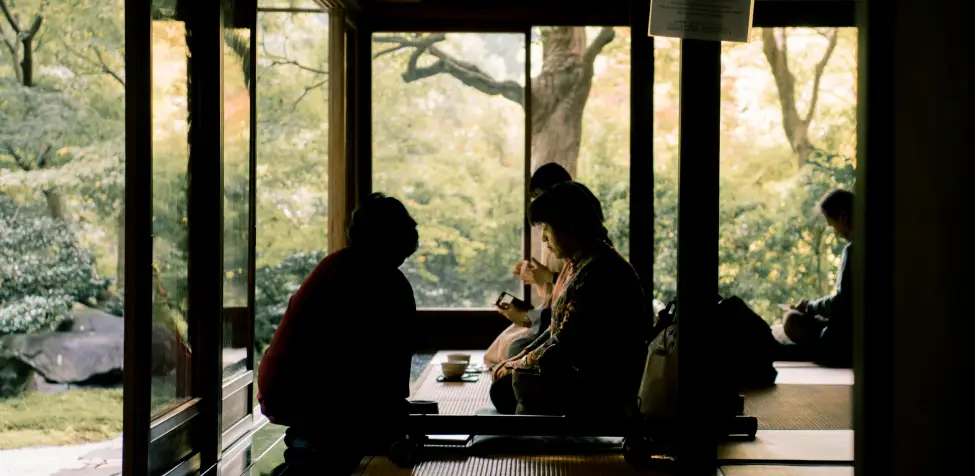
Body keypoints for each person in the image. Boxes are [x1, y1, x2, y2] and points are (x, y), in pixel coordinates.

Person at [257, 193, 419, 473]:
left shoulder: (338, 266)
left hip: (292, 389)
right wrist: (393, 428)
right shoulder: (375, 282)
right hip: (309, 397)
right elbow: (381, 371)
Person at [490, 181, 648, 416]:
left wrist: (515, 366)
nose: (544, 238)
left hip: (601, 384)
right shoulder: (582, 262)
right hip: (576, 369)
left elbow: (564, 345)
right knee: (507, 377)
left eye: (547, 227)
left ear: (571, 226)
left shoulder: (598, 270)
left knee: (504, 389)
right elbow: (554, 329)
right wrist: (519, 359)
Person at [782, 188, 854, 367]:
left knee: (791, 320)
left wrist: (810, 306)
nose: (836, 233)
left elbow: (842, 302)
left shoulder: (853, 249)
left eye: (832, 225)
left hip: (849, 336)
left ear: (844, 218)